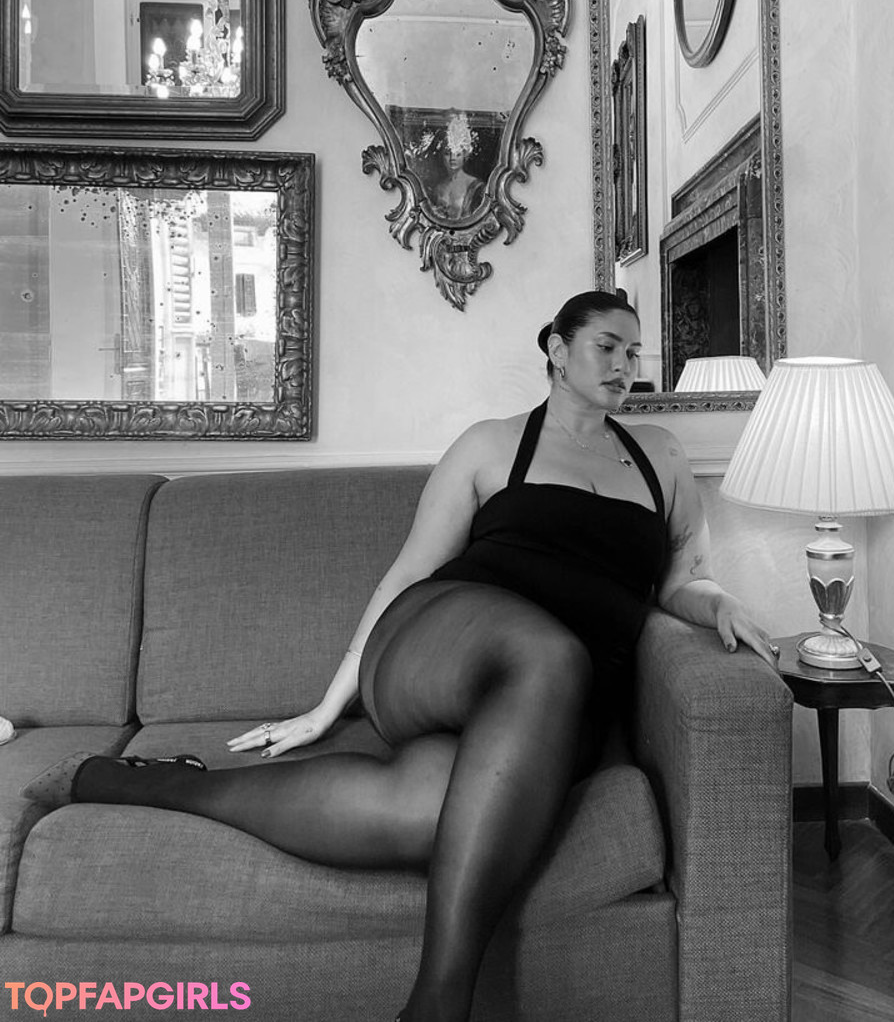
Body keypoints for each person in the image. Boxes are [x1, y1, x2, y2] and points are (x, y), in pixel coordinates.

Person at [24, 289, 777, 1022]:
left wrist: (720, 605)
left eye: (634, 353)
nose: (624, 366)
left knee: (427, 811)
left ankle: (143, 782)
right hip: (434, 648)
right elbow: (409, 572)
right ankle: (439, 1004)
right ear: (557, 349)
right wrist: (329, 705)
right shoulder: (491, 444)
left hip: (555, 703)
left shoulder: (659, 457)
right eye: (607, 347)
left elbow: (682, 580)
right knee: (547, 654)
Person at [425, 110, 485, 221]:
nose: (452, 158)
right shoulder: (439, 188)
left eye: (458, 154)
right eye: (448, 153)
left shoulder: (476, 187)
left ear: (464, 156)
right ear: (442, 156)